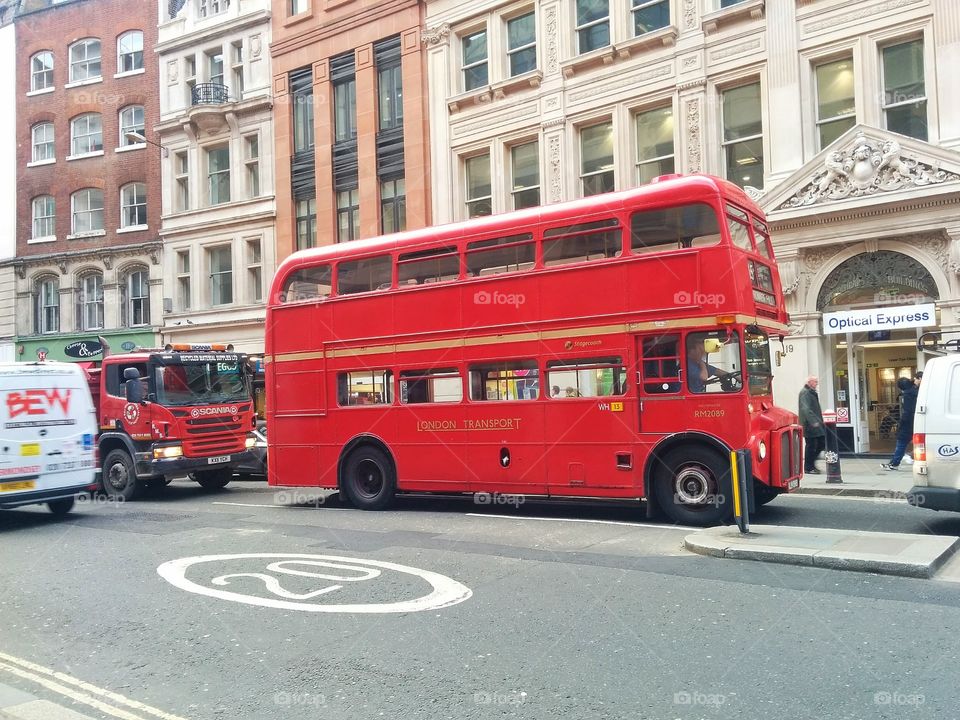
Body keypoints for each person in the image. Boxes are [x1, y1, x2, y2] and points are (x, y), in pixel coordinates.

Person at [882, 377, 919, 471]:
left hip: (908, 423)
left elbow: (907, 411)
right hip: (917, 420)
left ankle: (895, 463)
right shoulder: (916, 391)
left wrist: (901, 424)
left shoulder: (907, 395)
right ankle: (896, 461)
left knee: (901, 443)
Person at [799, 376, 825, 474]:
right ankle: (809, 467)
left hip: (816, 424)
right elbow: (805, 409)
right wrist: (813, 421)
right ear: (809, 382)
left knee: (821, 443)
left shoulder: (811, 392)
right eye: (815, 382)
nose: (817, 383)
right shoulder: (805, 393)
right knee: (811, 445)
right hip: (810, 425)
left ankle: (811, 464)